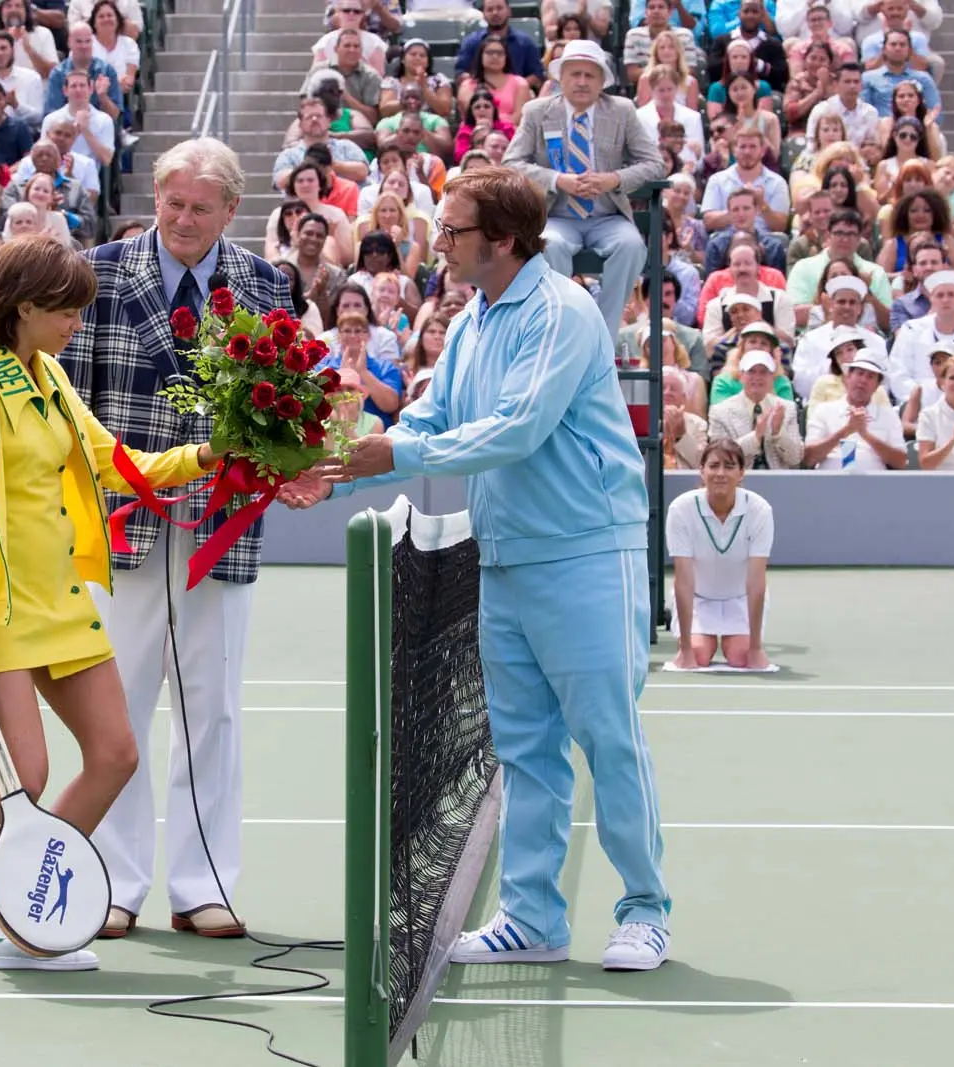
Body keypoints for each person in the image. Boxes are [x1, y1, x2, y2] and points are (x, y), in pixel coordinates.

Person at [283, 168, 672, 971]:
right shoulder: (470, 321)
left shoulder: (562, 314)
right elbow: (433, 416)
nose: (441, 243)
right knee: (524, 750)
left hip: (587, 551)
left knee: (608, 737)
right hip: (504, 556)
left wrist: (390, 449)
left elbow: (516, 429)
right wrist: (337, 465)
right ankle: (532, 918)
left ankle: (644, 910)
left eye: (455, 231)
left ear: (502, 238)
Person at [0, 234, 229, 973]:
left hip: (61, 604)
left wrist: (206, 456)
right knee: (25, 776)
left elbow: (109, 460)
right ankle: (13, 924)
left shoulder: (51, 375)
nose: (77, 325)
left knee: (116, 755)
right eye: (66, 311)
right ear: (24, 305)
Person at [52, 138, 290, 942]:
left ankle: (204, 885)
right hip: (120, 526)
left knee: (212, 711)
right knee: (116, 713)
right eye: (173, 203)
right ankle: (116, 883)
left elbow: (283, 412)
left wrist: (282, 466)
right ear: (156, 198)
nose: (184, 220)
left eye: (201, 207)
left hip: (222, 528)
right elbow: (67, 408)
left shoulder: (266, 283)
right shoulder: (97, 274)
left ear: (232, 209)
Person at [505, 39, 664, 341]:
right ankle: (565, 329)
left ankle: (602, 336)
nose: (581, 81)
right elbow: (511, 163)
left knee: (631, 246)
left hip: (607, 216)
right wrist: (556, 179)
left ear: (602, 81)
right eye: (574, 74)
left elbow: (654, 165)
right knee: (549, 245)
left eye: (589, 75)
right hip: (557, 215)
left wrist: (613, 179)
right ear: (560, 78)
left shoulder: (622, 111)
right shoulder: (537, 112)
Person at [667, 439, 774, 669]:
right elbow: (683, 579)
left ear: (742, 473)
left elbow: (756, 580)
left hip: (740, 600)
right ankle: (692, 643)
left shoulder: (760, 510)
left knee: (741, 657)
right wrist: (685, 649)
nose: (720, 473)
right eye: (713, 466)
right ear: (702, 471)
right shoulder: (680, 509)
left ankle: (746, 644)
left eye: (729, 466)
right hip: (698, 599)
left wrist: (756, 649)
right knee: (698, 656)